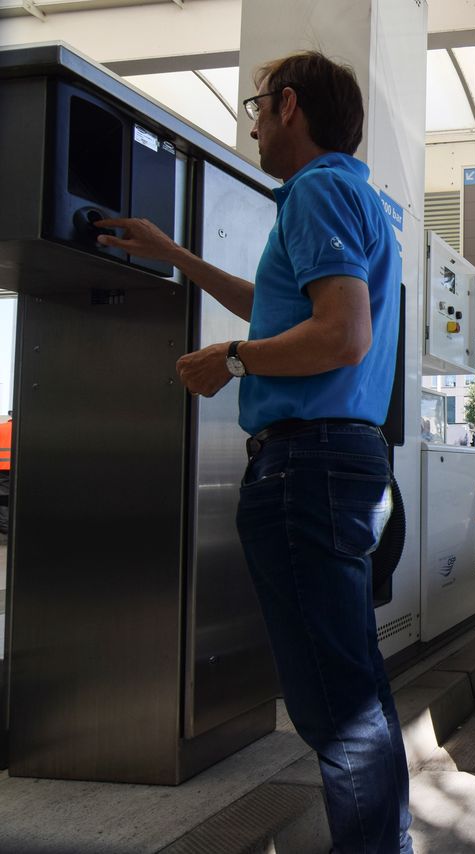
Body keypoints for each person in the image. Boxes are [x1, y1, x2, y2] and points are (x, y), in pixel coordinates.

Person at [97, 51, 412, 854]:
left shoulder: (316, 189)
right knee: (358, 692)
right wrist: (177, 256)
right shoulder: (355, 195)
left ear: (290, 106)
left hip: (305, 467)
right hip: (342, 461)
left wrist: (231, 359)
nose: (254, 123)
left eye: (258, 107)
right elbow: (288, 308)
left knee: (335, 711)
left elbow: (341, 333)